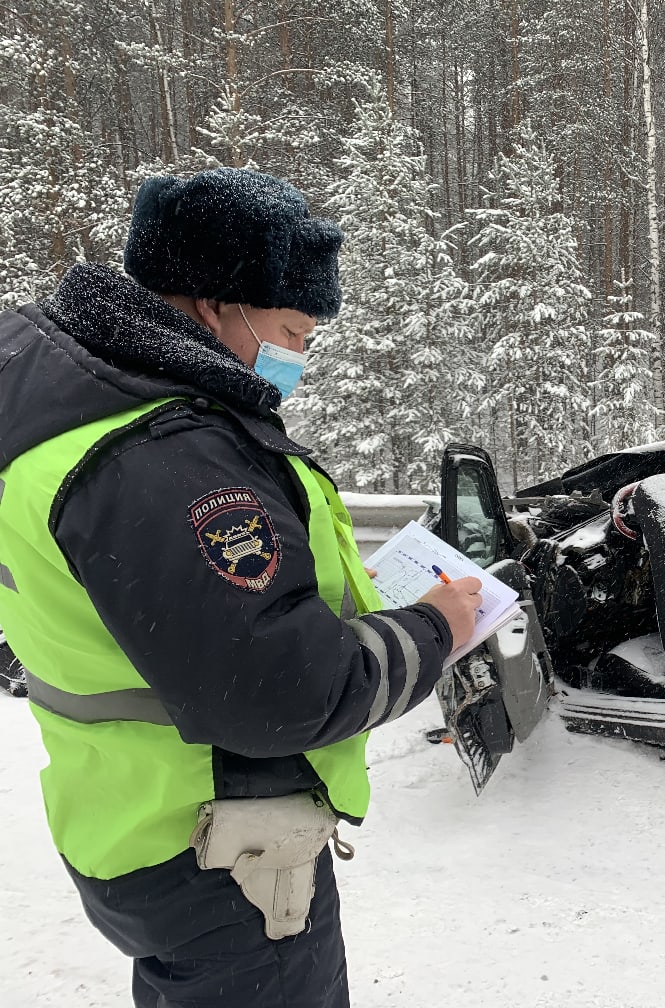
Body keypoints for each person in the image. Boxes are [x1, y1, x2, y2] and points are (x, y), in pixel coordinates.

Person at [0, 167, 483, 1008]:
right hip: (224, 854)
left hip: (131, 814)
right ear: (218, 305)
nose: (301, 355)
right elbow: (281, 690)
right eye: (295, 330)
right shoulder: (163, 456)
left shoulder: (65, 390)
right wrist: (436, 627)